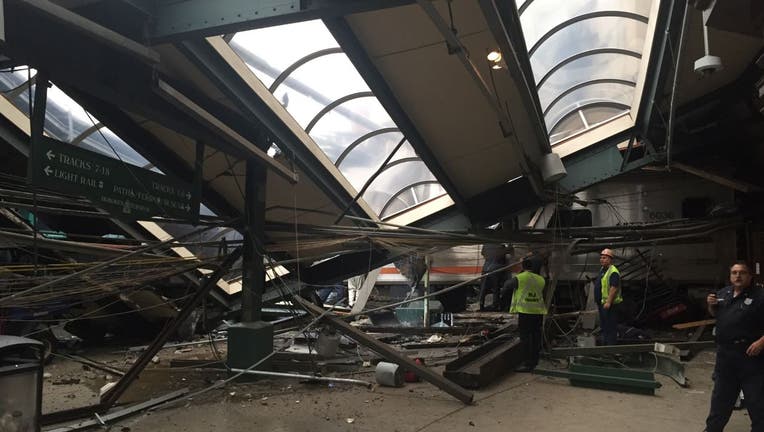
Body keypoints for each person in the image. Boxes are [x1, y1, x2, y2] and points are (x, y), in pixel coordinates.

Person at [704, 261, 764, 432]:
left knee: (756, 400)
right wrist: (711, 305)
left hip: (750, 357)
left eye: (742, 272)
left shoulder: (760, 296)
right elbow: (717, 314)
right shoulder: (724, 293)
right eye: (734, 272)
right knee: (720, 399)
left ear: (750, 276)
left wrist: (761, 342)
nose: (738, 276)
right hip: (725, 356)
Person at [507, 255, 547, 372]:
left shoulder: (520, 278)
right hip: (538, 312)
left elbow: (506, 286)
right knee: (535, 337)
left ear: (523, 266)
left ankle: (527, 364)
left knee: (525, 338)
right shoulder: (541, 279)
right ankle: (535, 360)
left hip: (525, 312)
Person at [596, 248, 622, 345]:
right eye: (601, 258)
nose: (601, 260)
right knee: (604, 326)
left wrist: (608, 302)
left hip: (610, 305)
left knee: (610, 327)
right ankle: (605, 345)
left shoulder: (613, 271)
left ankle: (610, 348)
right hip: (603, 303)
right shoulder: (603, 269)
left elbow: (613, 288)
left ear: (610, 260)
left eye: (604, 258)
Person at [478, 244, 508, 311]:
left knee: (483, 288)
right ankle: (495, 306)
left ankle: (481, 305)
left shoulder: (485, 245)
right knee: (496, 288)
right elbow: (508, 251)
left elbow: (482, 253)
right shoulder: (500, 245)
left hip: (486, 268)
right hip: (496, 269)